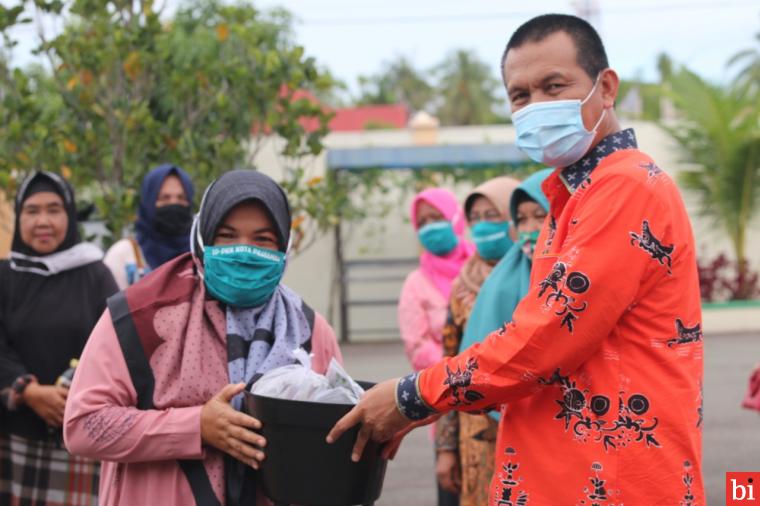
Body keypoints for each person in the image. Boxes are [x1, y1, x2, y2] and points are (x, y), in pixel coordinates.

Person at [328, 14, 705, 505]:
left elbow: (545, 338)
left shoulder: (625, 187)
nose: (536, 107)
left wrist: (412, 397)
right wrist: (422, 407)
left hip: (613, 482)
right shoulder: (569, 196)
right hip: (565, 474)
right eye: (520, 96)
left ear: (606, 87)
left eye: (554, 86)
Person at [63, 169, 342, 506]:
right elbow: (83, 425)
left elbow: (337, 433)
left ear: (284, 246)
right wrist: (195, 426)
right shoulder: (139, 318)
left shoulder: (308, 331)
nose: (244, 251)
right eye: (227, 236)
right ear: (203, 239)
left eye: (263, 240)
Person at [0, 171, 118, 505]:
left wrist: (68, 391)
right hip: (12, 437)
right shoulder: (4, 277)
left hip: (77, 437)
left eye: (54, 210)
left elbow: (114, 346)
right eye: (32, 210)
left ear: (69, 215)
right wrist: (29, 391)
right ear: (19, 216)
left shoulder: (96, 275)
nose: (43, 221)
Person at [436, 171, 550, 506]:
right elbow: (448, 363)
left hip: (541, 427)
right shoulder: (467, 286)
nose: (529, 228)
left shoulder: (560, 282)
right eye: (474, 218)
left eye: (492, 216)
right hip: (476, 431)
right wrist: (445, 448)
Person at [398, 187, 474, 506]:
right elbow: (416, 345)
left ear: (455, 218)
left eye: (437, 218)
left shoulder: (481, 266)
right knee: (453, 485)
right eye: (423, 221)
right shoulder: (416, 283)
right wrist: (461, 370)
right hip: (445, 396)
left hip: (498, 396)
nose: (430, 226)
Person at [104, 164, 195, 289]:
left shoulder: (200, 255)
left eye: (181, 198)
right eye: (164, 198)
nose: (174, 203)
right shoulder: (123, 255)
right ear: (148, 202)